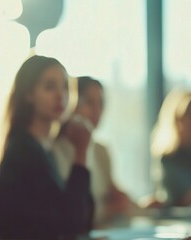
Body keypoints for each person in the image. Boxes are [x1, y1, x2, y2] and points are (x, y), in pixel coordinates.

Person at [0, 56, 93, 239]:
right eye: (50, 87)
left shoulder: (43, 148)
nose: (61, 96)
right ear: (29, 93)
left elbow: (82, 216)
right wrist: (81, 152)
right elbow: (70, 222)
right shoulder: (25, 151)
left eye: (65, 87)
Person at [54, 76, 136, 227]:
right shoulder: (54, 151)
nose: (97, 110)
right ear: (71, 102)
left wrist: (138, 204)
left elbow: (117, 195)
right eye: (90, 102)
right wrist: (110, 210)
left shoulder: (101, 150)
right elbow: (68, 212)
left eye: (101, 104)